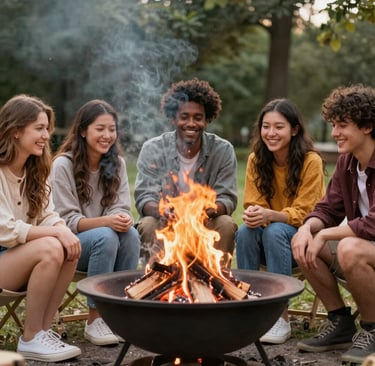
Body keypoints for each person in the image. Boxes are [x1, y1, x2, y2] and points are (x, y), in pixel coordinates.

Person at [291, 84, 375, 364]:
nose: (335, 132)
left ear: (367, 126)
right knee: (302, 242)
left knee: (349, 247)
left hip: (364, 248)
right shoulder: (347, 163)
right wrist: (306, 229)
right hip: (365, 249)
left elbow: (373, 224)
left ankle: (372, 330)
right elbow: (327, 208)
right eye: (333, 125)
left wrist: (325, 233)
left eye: (342, 125)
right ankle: (340, 322)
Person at [50, 99, 140, 346]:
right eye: (100, 129)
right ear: (82, 130)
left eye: (112, 129)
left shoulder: (117, 164)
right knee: (106, 235)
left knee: (131, 235)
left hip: (106, 243)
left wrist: (122, 218)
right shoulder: (63, 165)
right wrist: (107, 222)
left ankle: (121, 314)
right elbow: (66, 222)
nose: (107, 135)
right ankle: (94, 319)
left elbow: (122, 206)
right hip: (70, 247)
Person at [235, 98, 326, 344]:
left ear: (294, 129)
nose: (271, 133)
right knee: (245, 231)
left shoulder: (311, 161)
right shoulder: (256, 159)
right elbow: (253, 202)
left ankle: (279, 318)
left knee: (275, 230)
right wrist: (255, 214)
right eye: (266, 126)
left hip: (301, 239)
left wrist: (271, 216)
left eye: (279, 127)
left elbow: (308, 212)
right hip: (267, 237)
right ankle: (247, 309)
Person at [0, 94, 82, 362]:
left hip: (14, 262)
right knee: (51, 245)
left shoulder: (35, 172)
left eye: (47, 128)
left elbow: (48, 215)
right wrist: (56, 233)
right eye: (39, 128)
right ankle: (31, 337)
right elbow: (5, 230)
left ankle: (41, 333)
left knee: (69, 246)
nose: (46, 135)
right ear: (15, 131)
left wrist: (63, 230)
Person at [134, 78, 238, 267]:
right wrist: (161, 209)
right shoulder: (153, 149)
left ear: (207, 120)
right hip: (166, 224)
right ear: (173, 118)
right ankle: (157, 283)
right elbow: (144, 196)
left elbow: (227, 198)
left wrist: (205, 210)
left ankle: (217, 283)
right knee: (147, 224)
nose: (191, 123)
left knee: (226, 223)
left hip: (205, 225)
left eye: (198, 117)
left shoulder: (223, 150)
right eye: (184, 117)